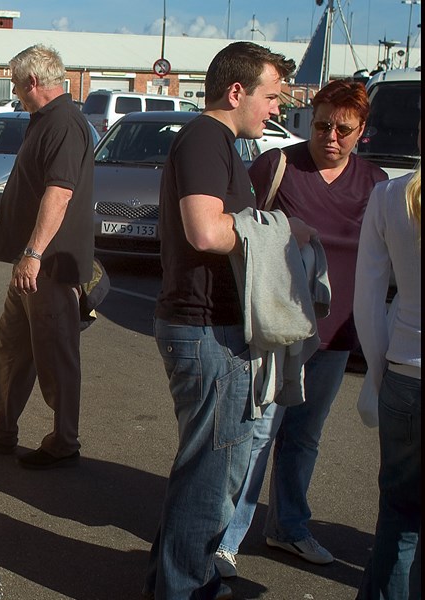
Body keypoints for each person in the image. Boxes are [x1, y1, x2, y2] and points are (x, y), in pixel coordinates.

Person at [142, 41, 307, 599]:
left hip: (209, 329)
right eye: (271, 96)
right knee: (211, 485)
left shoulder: (219, 144)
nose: (277, 109)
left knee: (204, 476)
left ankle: (177, 582)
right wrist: (281, 231)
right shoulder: (207, 140)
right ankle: (185, 589)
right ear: (236, 92)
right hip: (208, 331)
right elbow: (206, 231)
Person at [213, 80, 388, 578]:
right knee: (261, 433)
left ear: (362, 132)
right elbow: (238, 228)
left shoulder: (374, 183)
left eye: (343, 129)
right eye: (321, 125)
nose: (331, 136)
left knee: (305, 437)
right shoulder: (278, 166)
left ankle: (288, 525)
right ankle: (227, 537)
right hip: (280, 330)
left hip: (337, 334)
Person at [0, 44, 94, 470]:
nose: (14, 92)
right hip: (30, 267)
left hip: (46, 268)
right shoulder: (45, 120)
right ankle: (1, 428)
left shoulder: (65, 123)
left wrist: (33, 253)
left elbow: (60, 192)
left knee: (55, 356)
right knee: (12, 347)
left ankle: (63, 441)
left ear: (33, 81)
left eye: (16, 84)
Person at [354, 125, 420, 600]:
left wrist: (381, 377)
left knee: (399, 516)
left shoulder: (389, 196)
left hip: (404, 374)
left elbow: (368, 302)